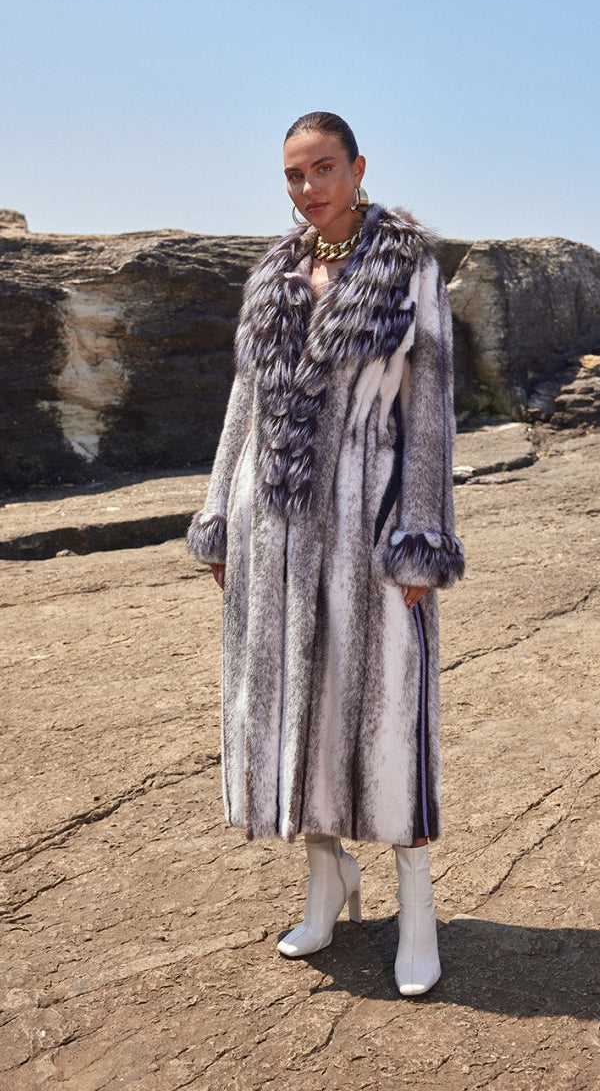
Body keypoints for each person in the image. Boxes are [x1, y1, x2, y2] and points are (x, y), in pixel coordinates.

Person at [187, 111, 464, 996]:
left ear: (357, 167)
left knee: (387, 710)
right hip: (270, 531)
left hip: (365, 529)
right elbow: (244, 401)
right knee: (289, 715)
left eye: (323, 168)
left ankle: (415, 908)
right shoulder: (272, 271)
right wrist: (218, 513)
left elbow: (430, 410)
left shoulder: (407, 266)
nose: (309, 188)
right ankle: (325, 878)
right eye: (294, 174)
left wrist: (421, 536)